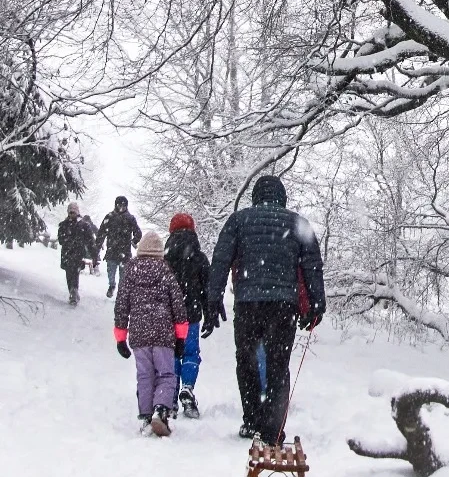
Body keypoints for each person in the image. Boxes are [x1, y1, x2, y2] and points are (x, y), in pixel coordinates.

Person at [203, 175, 325, 444]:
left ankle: (252, 421)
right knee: (278, 366)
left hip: (248, 304)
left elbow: (220, 260)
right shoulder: (297, 223)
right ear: (282, 197)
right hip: (284, 306)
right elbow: (313, 265)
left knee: (246, 363)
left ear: (255, 196)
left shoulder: (238, 221)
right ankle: (273, 430)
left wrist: (213, 300)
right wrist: (317, 303)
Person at [113, 232, 189, 437]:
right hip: (163, 333)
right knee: (166, 374)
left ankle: (146, 415)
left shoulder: (130, 271)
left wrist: (120, 336)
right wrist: (181, 336)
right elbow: (178, 306)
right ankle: (161, 409)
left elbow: (121, 304)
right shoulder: (165, 271)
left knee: (145, 375)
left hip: (139, 334)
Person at [164, 213, 209, 419]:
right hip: (191, 314)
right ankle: (187, 387)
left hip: (169, 315)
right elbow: (208, 288)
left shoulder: (165, 258)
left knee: (172, 353)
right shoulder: (199, 258)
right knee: (191, 353)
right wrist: (210, 312)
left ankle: (171, 395)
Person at [96, 196, 143, 298]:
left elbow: (138, 233)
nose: (122, 207)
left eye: (124, 205)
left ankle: (121, 293)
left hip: (124, 252)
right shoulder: (109, 217)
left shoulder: (130, 218)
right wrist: (98, 246)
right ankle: (112, 286)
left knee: (123, 277)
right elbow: (101, 233)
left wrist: (134, 241)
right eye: (119, 205)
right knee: (111, 273)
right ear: (116, 205)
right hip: (112, 251)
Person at [56, 202, 96, 306]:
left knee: (75, 273)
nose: (72, 214)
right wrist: (68, 241)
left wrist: (94, 255)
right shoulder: (64, 225)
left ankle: (74, 292)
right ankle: (72, 291)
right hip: (67, 253)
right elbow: (60, 239)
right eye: (70, 212)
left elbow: (90, 241)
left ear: (77, 212)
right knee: (69, 274)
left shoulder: (84, 225)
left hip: (78, 254)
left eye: (74, 212)